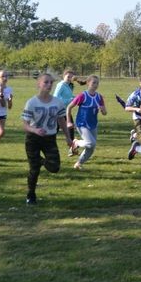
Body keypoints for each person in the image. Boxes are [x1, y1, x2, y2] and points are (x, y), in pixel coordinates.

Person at [22, 73, 74, 204]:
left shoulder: (57, 103)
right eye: (46, 82)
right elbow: (25, 125)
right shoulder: (32, 102)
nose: (49, 85)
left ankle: (39, 160)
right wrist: (35, 130)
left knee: (54, 167)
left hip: (50, 138)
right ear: (38, 84)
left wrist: (68, 138)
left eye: (51, 82)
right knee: (34, 170)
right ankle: (31, 194)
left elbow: (61, 120)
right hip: (33, 139)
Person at [66, 75, 107, 170]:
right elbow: (69, 107)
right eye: (93, 83)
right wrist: (68, 121)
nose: (95, 85)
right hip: (82, 123)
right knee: (90, 143)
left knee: (91, 148)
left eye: (97, 83)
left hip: (93, 124)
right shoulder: (82, 95)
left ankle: (78, 163)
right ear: (88, 83)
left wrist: (102, 110)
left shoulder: (99, 97)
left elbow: (105, 113)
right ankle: (76, 143)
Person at [53, 68, 77, 156]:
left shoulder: (69, 85)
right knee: (54, 130)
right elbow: (56, 97)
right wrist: (70, 100)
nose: (69, 78)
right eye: (68, 76)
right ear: (64, 76)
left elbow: (68, 96)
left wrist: (75, 98)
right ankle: (47, 146)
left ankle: (72, 150)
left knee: (70, 130)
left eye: (71, 77)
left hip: (67, 111)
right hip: (59, 111)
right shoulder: (61, 85)